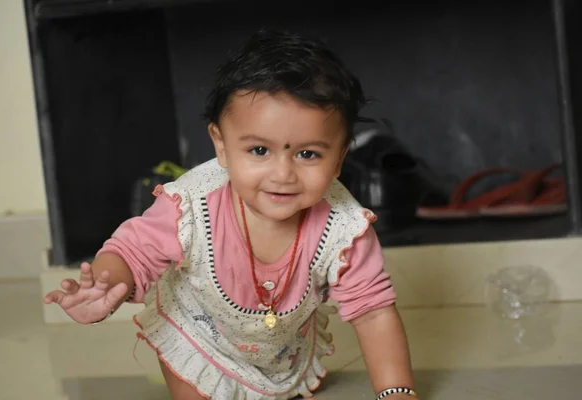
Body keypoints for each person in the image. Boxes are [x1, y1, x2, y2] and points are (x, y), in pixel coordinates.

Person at [43, 29, 417, 400]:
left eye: (308, 154)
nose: (282, 174)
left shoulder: (345, 227)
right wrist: (106, 282)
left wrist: (395, 392)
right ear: (221, 145)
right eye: (258, 150)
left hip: (282, 346)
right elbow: (133, 251)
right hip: (197, 334)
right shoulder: (191, 204)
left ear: (339, 158)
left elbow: (373, 312)